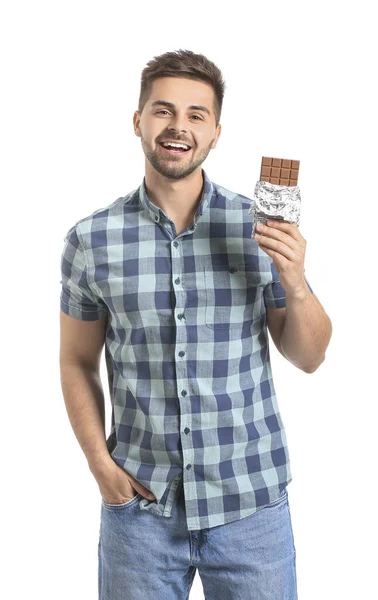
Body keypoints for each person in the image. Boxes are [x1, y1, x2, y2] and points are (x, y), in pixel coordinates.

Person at [59, 49, 332, 600]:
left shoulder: (258, 229)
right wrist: (100, 467)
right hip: (140, 509)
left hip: (251, 508)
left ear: (215, 133)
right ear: (138, 122)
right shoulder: (91, 239)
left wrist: (296, 281)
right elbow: (75, 360)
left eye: (195, 115)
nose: (178, 126)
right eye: (163, 111)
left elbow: (309, 356)